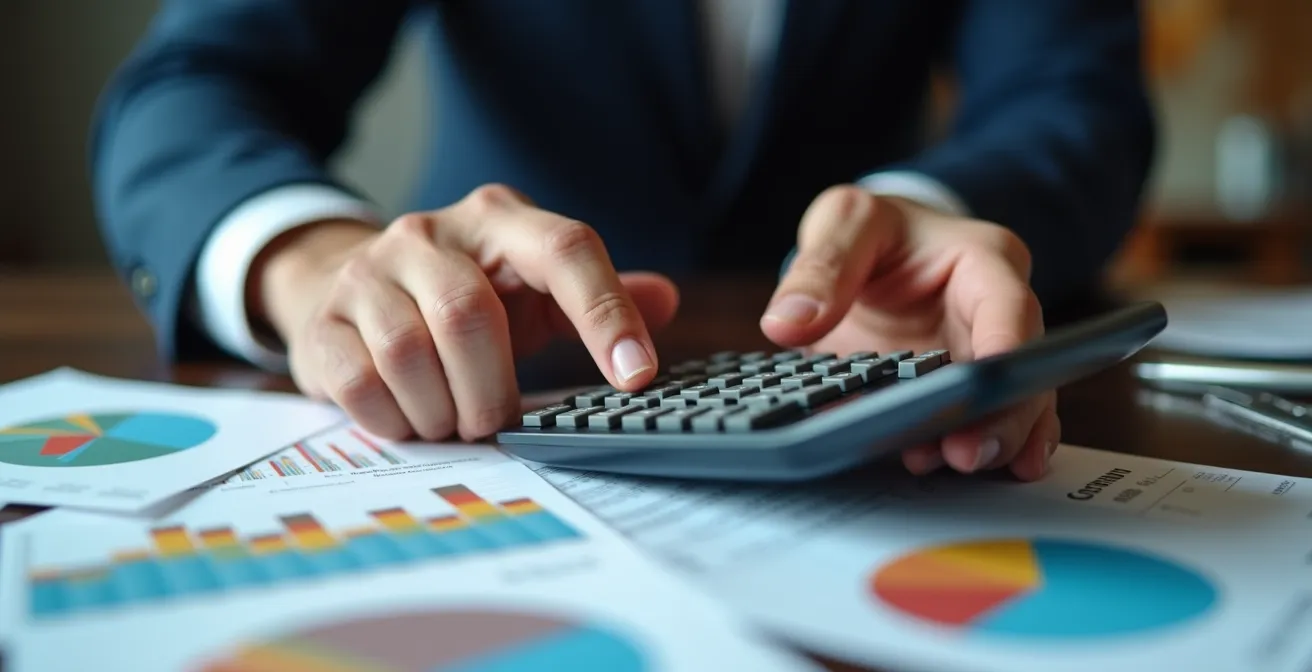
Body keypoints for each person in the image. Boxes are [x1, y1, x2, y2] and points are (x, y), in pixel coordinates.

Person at [90, 1, 1155, 483]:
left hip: (866, 353)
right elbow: (195, 84)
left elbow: (1076, 96)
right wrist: (309, 258)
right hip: (471, 381)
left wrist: (928, 201)